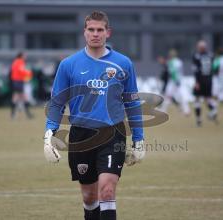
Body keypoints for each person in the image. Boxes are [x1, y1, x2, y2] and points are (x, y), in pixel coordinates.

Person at [43, 11, 145, 220]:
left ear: (108, 32)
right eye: (91, 29)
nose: (95, 34)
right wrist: (48, 134)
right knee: (90, 197)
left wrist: (138, 138)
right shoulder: (68, 65)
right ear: (85, 32)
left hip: (113, 132)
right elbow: (57, 103)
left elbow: (132, 102)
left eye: (100, 30)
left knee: (107, 190)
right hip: (81, 136)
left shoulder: (123, 63)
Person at [192, 40, 217, 126]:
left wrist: (196, 82)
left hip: (201, 80)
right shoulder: (211, 55)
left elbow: (196, 70)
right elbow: (213, 68)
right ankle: (213, 110)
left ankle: (198, 120)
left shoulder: (196, 56)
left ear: (200, 48)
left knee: (197, 99)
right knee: (208, 98)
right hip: (209, 80)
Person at [161, 49, 190, 116]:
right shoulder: (179, 61)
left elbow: (173, 72)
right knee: (181, 96)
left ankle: (163, 110)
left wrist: (176, 80)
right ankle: (186, 110)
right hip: (179, 80)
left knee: (168, 95)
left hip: (174, 81)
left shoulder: (171, 62)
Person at [10, 52, 33, 119]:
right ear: (21, 56)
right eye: (24, 56)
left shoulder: (15, 62)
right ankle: (28, 114)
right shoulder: (20, 62)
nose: (25, 57)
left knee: (16, 97)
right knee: (22, 97)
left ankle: (13, 114)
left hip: (15, 81)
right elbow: (22, 70)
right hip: (18, 81)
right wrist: (29, 73)